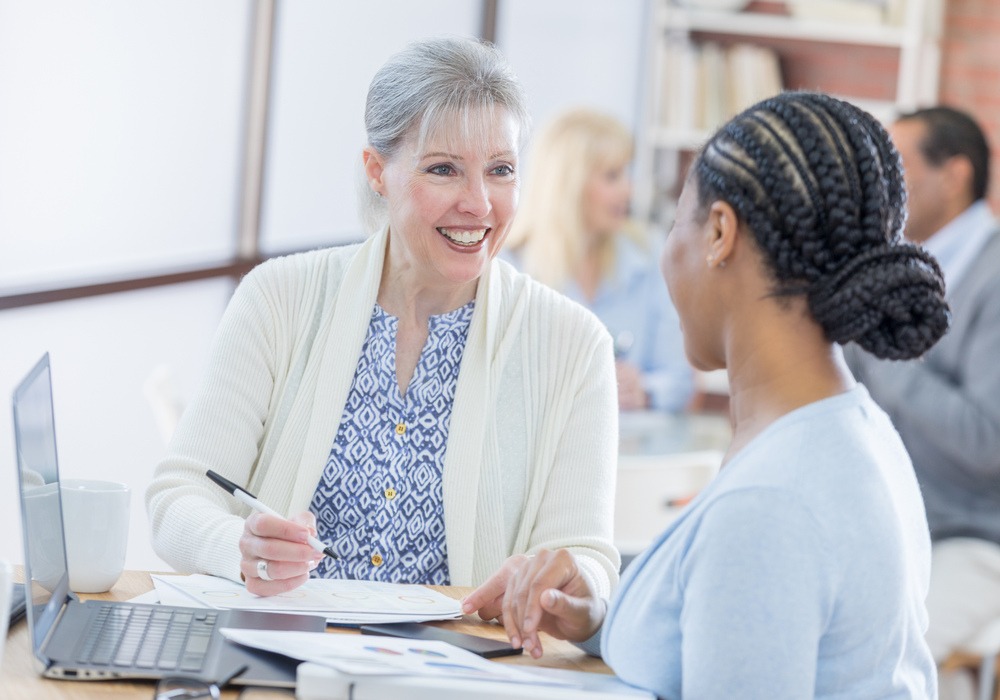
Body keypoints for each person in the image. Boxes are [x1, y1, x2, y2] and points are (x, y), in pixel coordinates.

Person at [463, 91, 949, 698]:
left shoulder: (771, 504)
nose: (666, 253)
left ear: (720, 232)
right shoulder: (851, 430)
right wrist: (594, 614)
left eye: (674, 223)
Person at [145, 37, 620, 599]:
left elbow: (588, 561)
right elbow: (178, 496)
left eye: (500, 170)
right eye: (444, 169)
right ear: (377, 170)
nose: (479, 203)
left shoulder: (573, 343)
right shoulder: (278, 297)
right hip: (285, 656)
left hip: (458, 675)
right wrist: (238, 546)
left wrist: (576, 595)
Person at [844, 106, 1000, 699]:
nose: (885, 184)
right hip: (892, 528)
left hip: (971, 540)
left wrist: (885, 353)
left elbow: (988, 441)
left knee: (880, 663)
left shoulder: (993, 277)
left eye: (902, 165)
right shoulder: (904, 265)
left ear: (955, 176)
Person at [503, 108, 693, 412]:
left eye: (626, 173)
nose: (628, 190)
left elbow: (680, 379)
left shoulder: (648, 252)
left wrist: (643, 391)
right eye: (612, 176)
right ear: (569, 184)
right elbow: (499, 386)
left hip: (632, 450)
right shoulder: (508, 267)